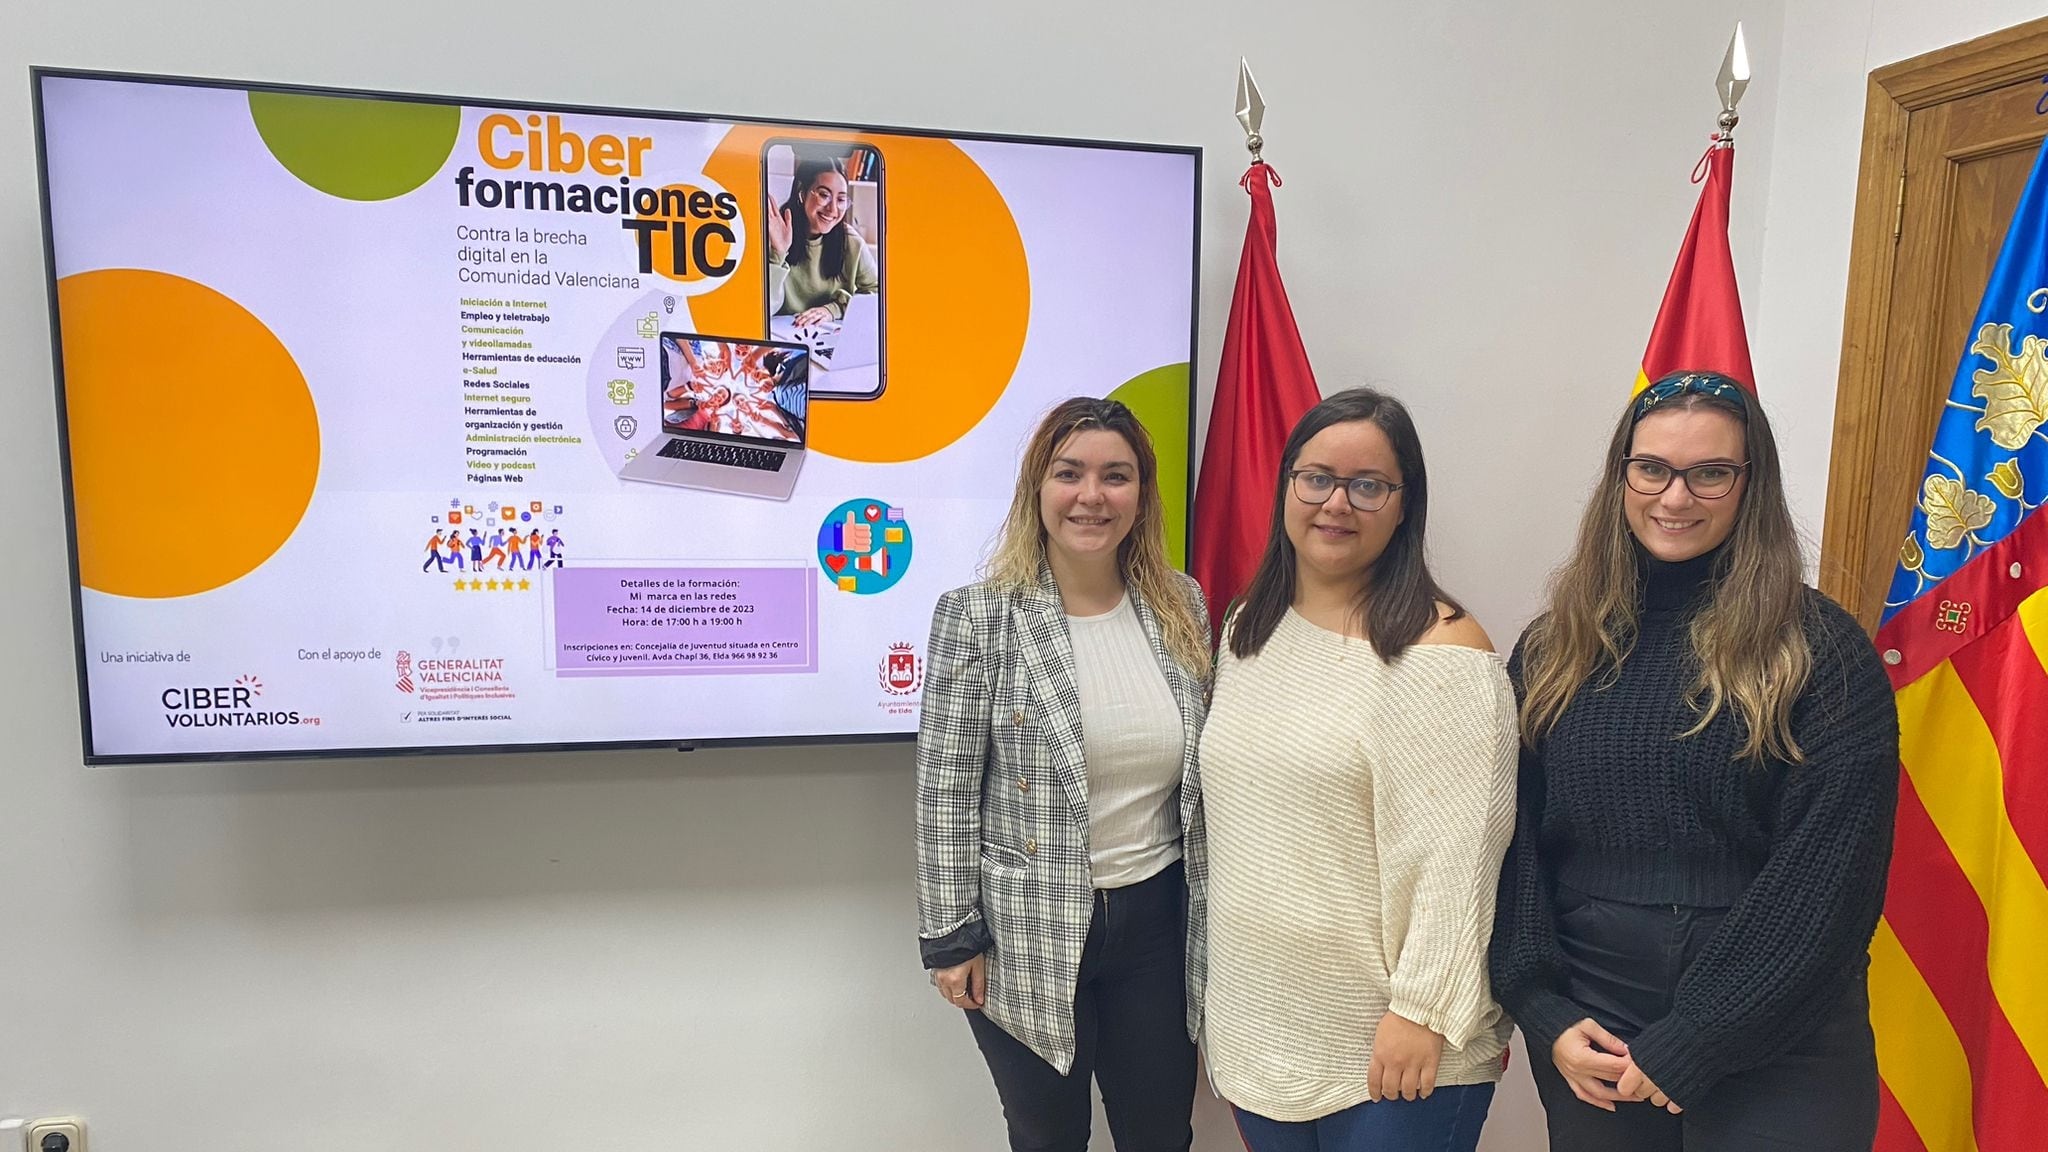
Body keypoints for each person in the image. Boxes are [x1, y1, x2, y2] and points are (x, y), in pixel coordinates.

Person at [1488, 371, 1900, 1149]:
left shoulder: (1823, 651)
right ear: (1621, 477)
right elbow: (1511, 845)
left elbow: (1832, 881)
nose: (1675, 498)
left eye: (1710, 472)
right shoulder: (1555, 647)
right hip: (1594, 1029)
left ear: (1752, 484)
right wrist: (1540, 1008)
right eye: (1652, 469)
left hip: (1785, 1033)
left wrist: (1700, 1037)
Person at [1195, 387, 1516, 1151]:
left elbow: (1461, 861)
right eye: (1316, 478)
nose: (1337, 503)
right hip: (1261, 1027)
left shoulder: (1444, 654)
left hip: (1392, 1047)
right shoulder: (1248, 627)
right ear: (1285, 490)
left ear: (1405, 505)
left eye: (1368, 485)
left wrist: (1423, 1012)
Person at [915, 396, 1212, 1152]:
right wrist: (951, 939)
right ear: (1036, 490)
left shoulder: (1182, 606)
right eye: (1069, 473)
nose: (1091, 496)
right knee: (1047, 1137)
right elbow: (945, 789)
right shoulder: (978, 616)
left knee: (1159, 1134)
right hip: (1025, 932)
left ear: (1140, 494)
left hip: (1157, 926)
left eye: (1116, 476)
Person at [768, 156, 879, 326]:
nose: (833, 209)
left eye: (841, 199)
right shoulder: (773, 233)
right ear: (802, 193)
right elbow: (762, 307)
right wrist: (778, 253)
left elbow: (878, 295)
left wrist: (834, 309)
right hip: (781, 341)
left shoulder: (851, 242)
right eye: (824, 195)